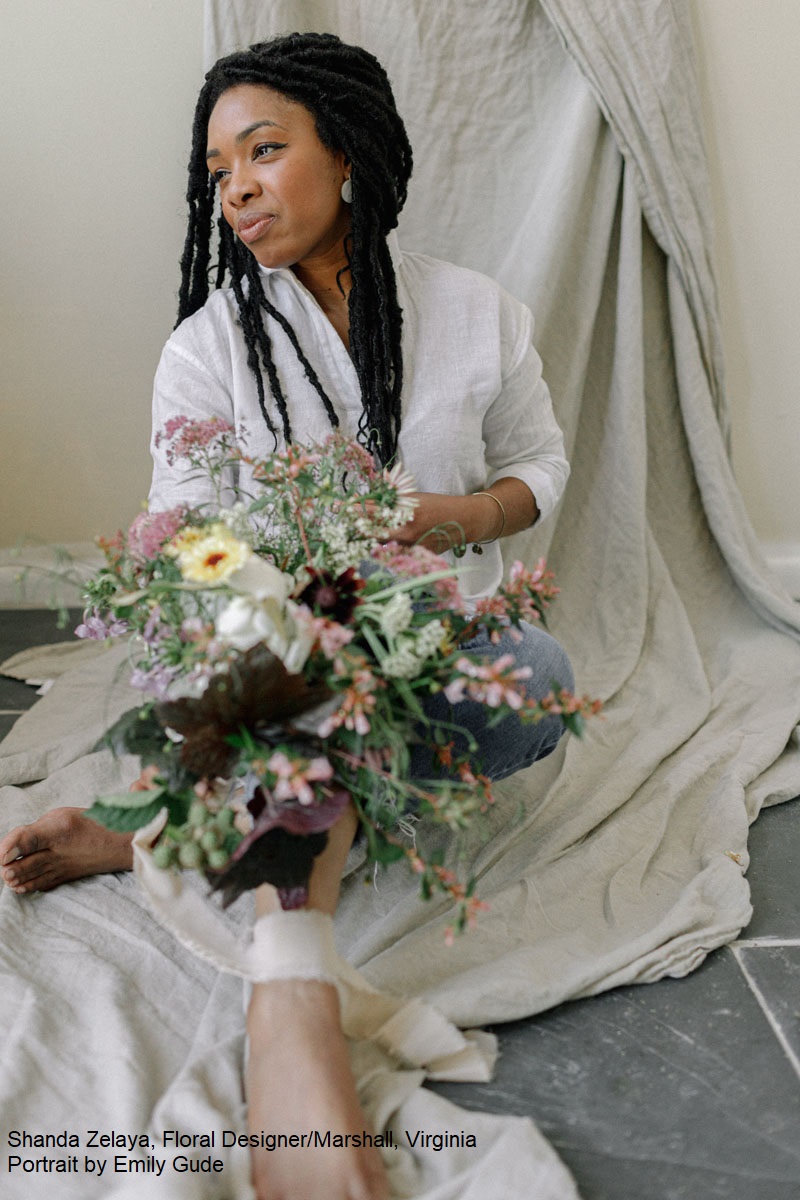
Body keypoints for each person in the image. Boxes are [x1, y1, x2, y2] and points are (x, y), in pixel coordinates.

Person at [0, 33, 573, 1200]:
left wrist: (444, 519)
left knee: (536, 676)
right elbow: (182, 537)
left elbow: (540, 470)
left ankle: (164, 827)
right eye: (219, 172)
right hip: (248, 644)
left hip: (415, 640)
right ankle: (292, 1015)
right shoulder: (205, 349)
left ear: (347, 155)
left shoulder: (478, 315)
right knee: (287, 689)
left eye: (264, 150)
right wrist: (285, 583)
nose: (239, 187)